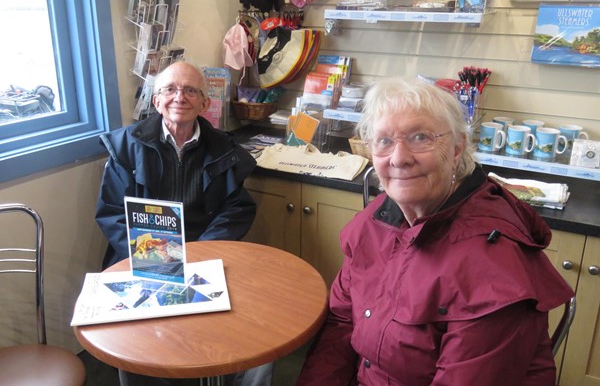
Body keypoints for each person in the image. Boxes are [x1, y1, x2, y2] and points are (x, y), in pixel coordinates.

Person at [295, 78, 574, 386]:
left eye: (419, 137)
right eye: (384, 141)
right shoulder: (375, 224)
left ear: (457, 149)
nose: (399, 158)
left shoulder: (494, 268)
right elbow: (341, 325)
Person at [95, 61, 272, 386]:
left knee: (260, 333)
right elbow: (111, 212)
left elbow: (237, 209)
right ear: (157, 100)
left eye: (191, 90)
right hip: (143, 258)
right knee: (132, 341)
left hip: (207, 255)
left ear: (205, 103)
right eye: (170, 89)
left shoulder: (224, 150)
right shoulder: (126, 148)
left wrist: (200, 252)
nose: (180, 97)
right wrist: (155, 254)